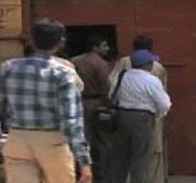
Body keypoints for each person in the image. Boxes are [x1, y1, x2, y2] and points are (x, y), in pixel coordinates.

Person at [0, 18, 92, 183]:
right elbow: (71, 121)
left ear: (32, 40)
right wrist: (83, 161)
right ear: (60, 43)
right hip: (53, 141)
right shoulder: (63, 73)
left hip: (18, 138)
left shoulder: (9, 68)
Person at [108, 34, 168, 183]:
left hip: (122, 116)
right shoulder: (153, 76)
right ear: (148, 63)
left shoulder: (122, 72)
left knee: (119, 157)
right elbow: (164, 103)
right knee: (141, 158)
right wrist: (157, 115)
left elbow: (111, 91)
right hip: (144, 118)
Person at [72, 36, 112, 183]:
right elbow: (106, 88)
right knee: (102, 142)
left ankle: (81, 172)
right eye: (104, 46)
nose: (107, 49)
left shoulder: (74, 62)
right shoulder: (102, 64)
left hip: (78, 103)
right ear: (95, 47)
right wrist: (108, 105)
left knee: (82, 139)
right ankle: (101, 175)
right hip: (97, 104)